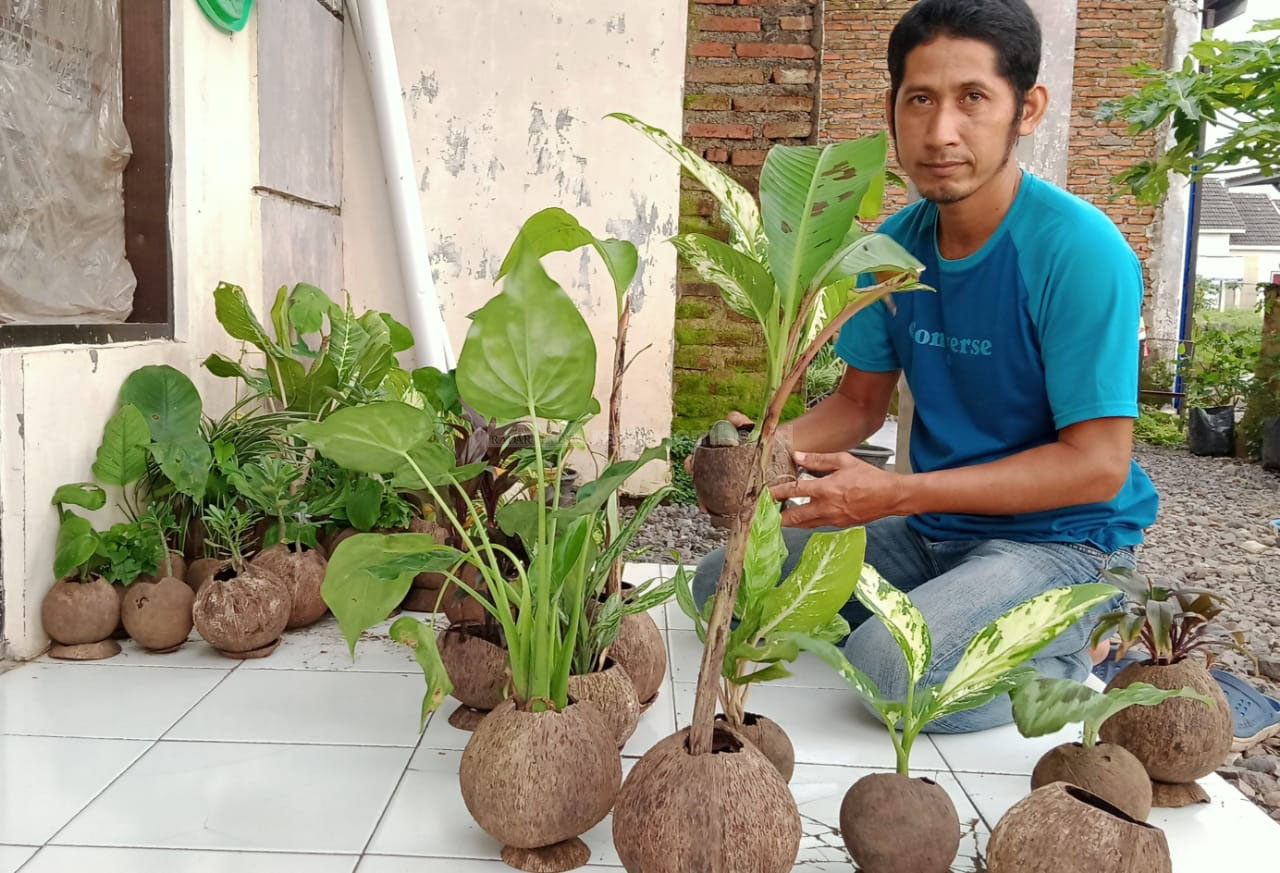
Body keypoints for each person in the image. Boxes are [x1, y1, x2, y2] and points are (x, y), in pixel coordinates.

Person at [691, 0, 1159, 733]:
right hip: (929, 529)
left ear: (1027, 109)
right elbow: (858, 406)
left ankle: (1081, 644)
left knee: (892, 674)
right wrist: (762, 449)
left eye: (973, 98)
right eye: (920, 100)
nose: (941, 132)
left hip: (1064, 545)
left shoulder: (1079, 252)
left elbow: (1098, 467)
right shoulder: (893, 249)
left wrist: (894, 494)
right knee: (719, 582)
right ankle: (954, 612)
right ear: (892, 109)